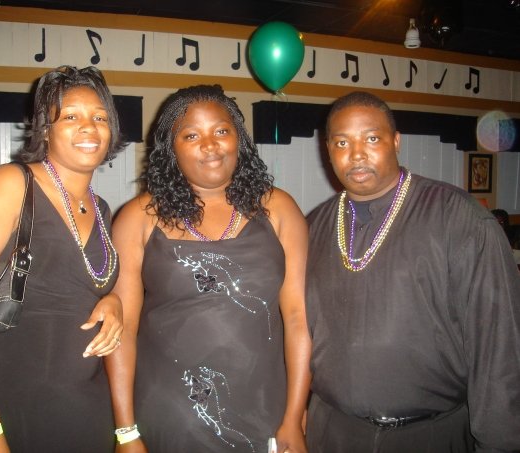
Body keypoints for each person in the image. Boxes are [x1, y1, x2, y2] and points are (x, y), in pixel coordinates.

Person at [305, 91, 520, 452]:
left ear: (396, 141)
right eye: (342, 142)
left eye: (371, 138)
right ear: (328, 150)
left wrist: (499, 444)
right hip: (332, 432)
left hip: (430, 435)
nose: (356, 154)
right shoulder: (313, 227)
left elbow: (498, 345)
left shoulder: (459, 220)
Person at [105, 84, 311, 453]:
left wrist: (294, 415)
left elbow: (298, 318)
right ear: (171, 148)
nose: (210, 145)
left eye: (221, 131)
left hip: (264, 408)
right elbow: (123, 330)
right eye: (191, 135)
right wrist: (127, 432)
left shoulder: (279, 208)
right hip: (170, 416)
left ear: (239, 139)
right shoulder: (138, 217)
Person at [0, 66, 124, 452]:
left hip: (90, 404)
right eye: (70, 117)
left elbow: (79, 283)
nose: (89, 127)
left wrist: (114, 300)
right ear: (45, 129)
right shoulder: (12, 184)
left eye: (100, 117)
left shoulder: (100, 207)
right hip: (24, 406)